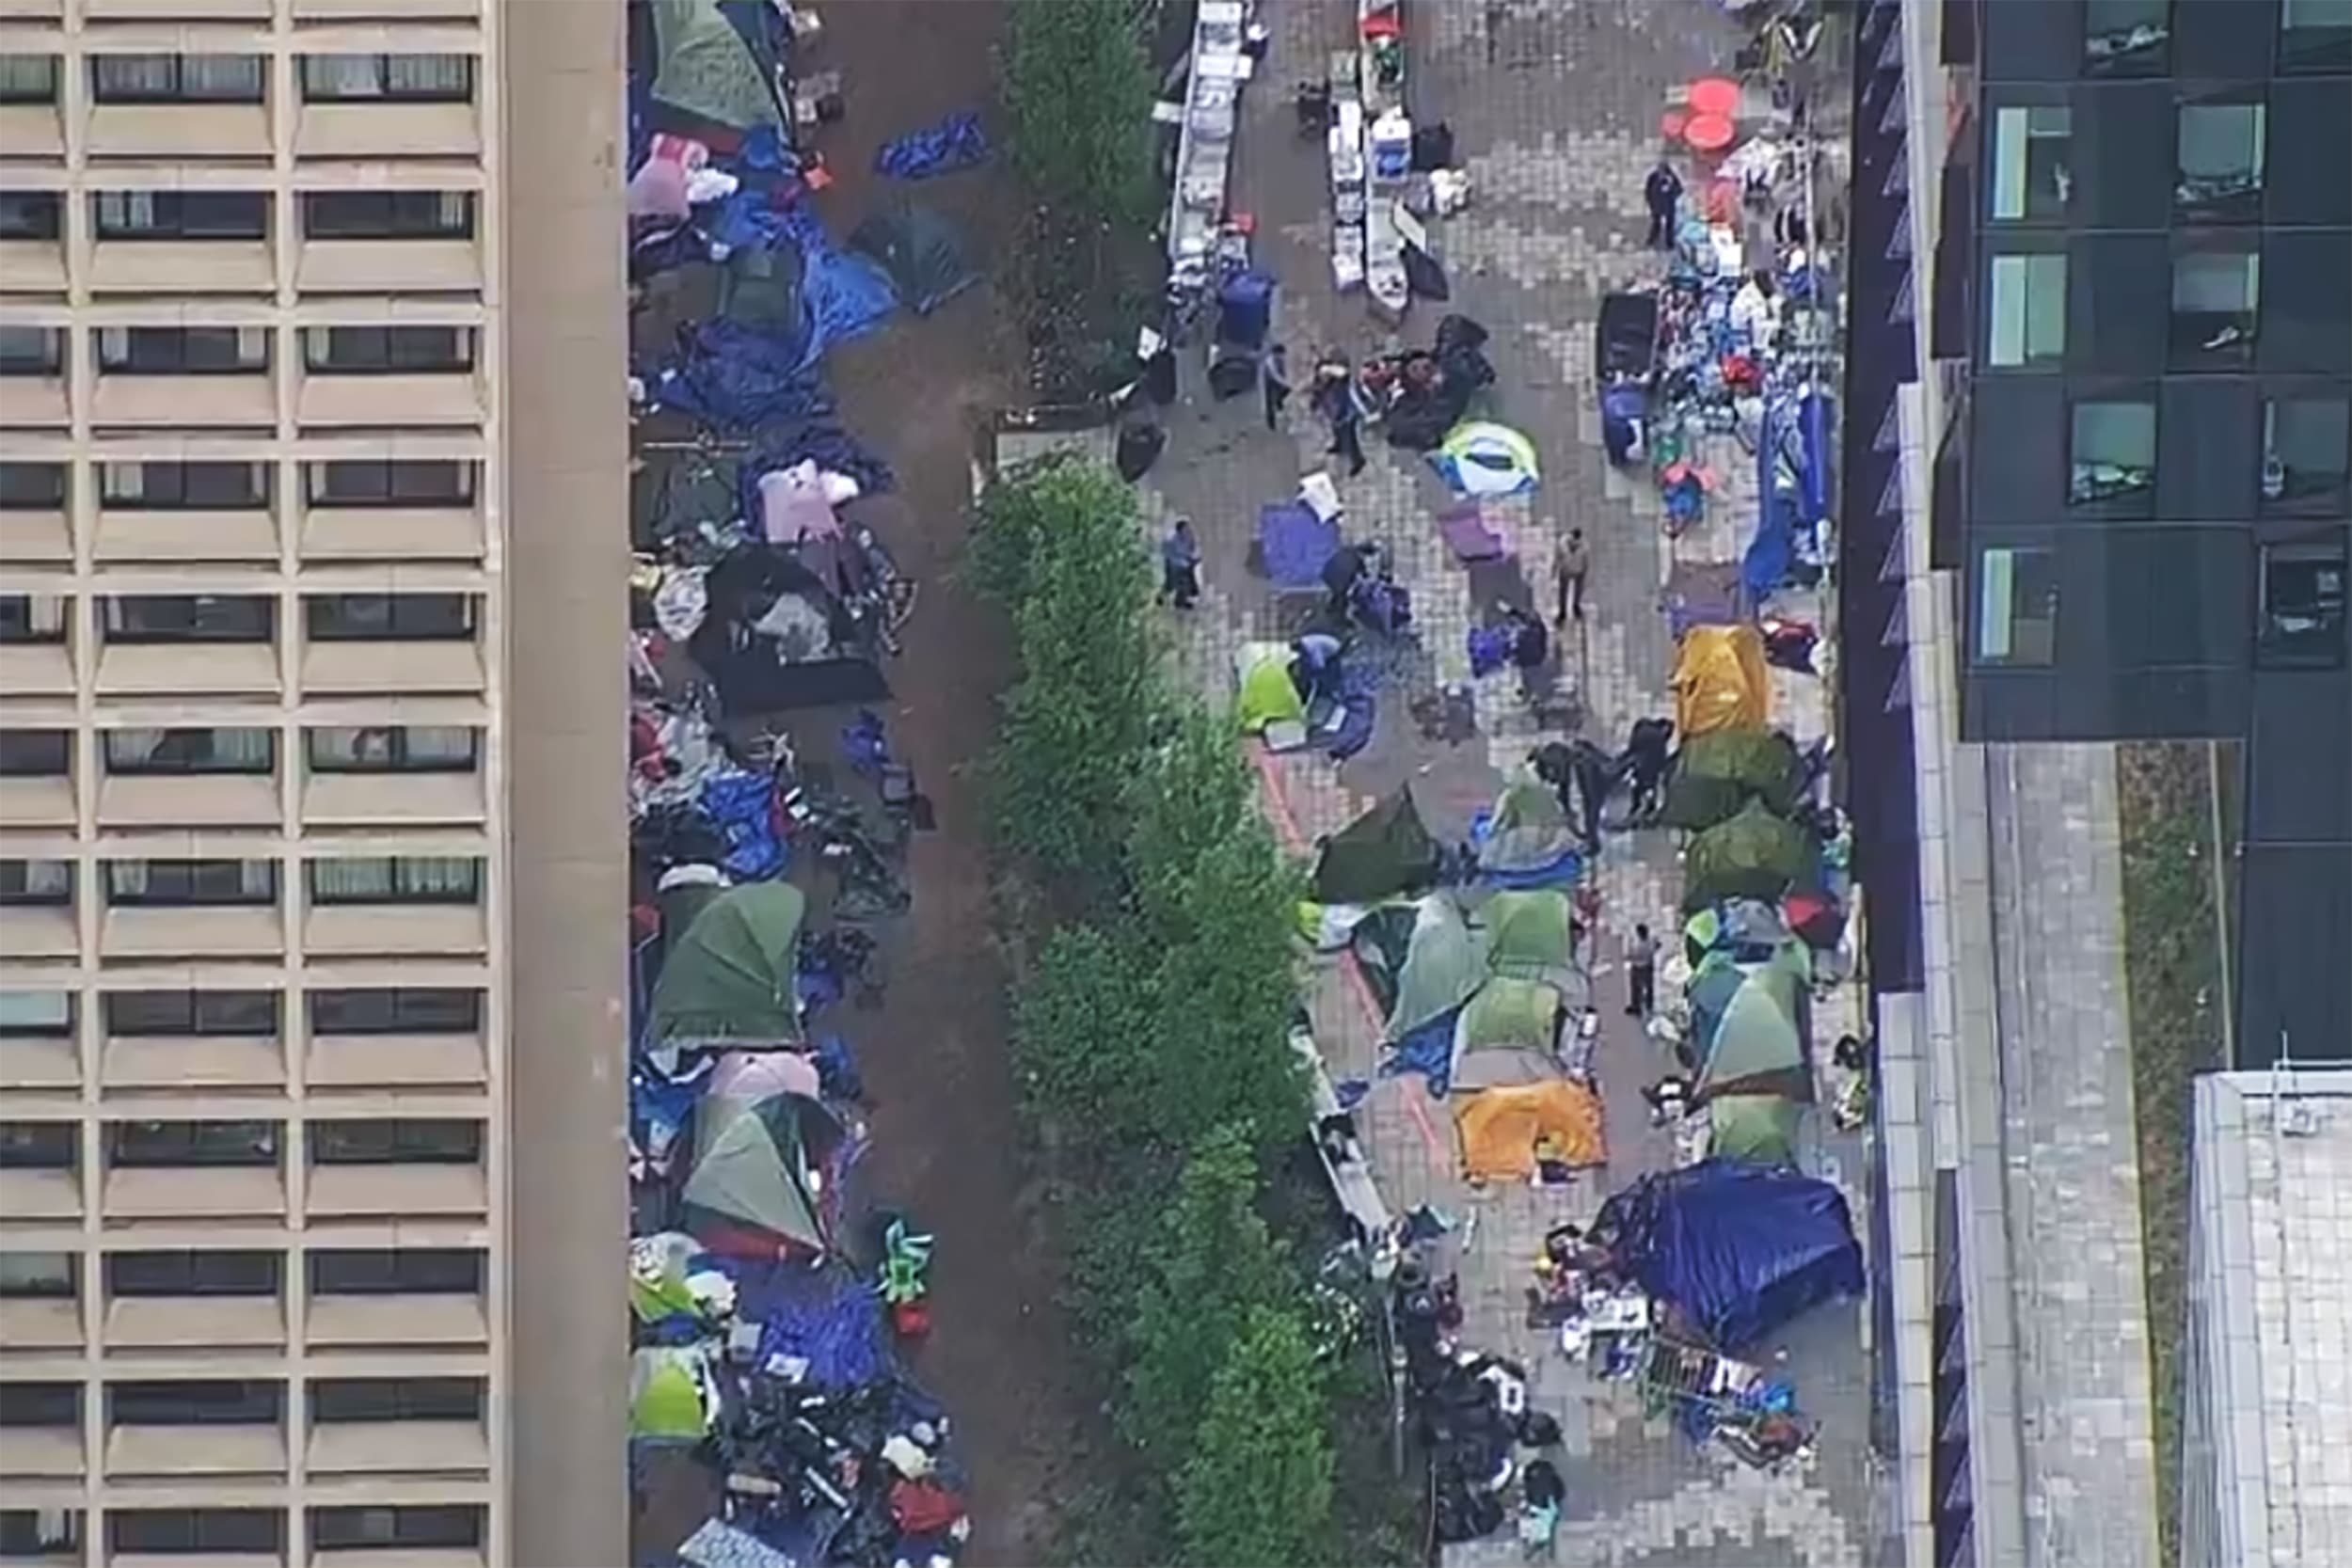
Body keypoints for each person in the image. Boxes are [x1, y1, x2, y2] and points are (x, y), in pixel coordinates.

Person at [1157, 516, 1200, 610]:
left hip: (1186, 563)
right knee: (1171, 584)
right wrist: (1183, 562)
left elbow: (1193, 549)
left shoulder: (1189, 537)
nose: (1188, 529)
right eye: (1186, 527)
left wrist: (1194, 558)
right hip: (1173, 564)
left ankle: (1181, 601)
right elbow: (1168, 554)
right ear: (1181, 528)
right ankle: (1161, 597)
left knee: (1186, 582)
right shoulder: (1171, 539)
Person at [1552, 528, 1591, 624]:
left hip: (1579, 570)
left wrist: (1585, 572)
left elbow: (1586, 561)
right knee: (1563, 592)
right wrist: (1554, 571)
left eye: (1577, 542)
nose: (1575, 544)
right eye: (1573, 541)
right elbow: (1557, 558)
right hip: (1565, 570)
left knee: (1578, 591)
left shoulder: (1584, 546)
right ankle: (1562, 612)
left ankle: (1576, 607)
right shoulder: (1562, 544)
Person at [1644, 157, 1683, 249]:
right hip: (1657, 204)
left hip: (1669, 204)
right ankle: (1651, 241)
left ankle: (1670, 244)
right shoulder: (1653, 177)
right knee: (1656, 223)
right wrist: (1650, 201)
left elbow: (1679, 189)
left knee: (1670, 224)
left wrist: (1671, 190)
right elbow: (1648, 190)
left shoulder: (1671, 177)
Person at [1626, 922, 1658, 1018]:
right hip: (1648, 965)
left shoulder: (1637, 944)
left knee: (1636, 988)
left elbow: (1630, 955)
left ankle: (1637, 1006)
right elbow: (1657, 946)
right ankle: (1648, 1005)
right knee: (1648, 987)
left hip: (1637, 966)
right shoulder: (1651, 940)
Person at [1262, 342, 1293, 433]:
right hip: (1268, 381)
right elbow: (1275, 374)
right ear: (1276, 353)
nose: (1283, 357)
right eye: (1281, 355)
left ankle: (1280, 408)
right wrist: (1285, 383)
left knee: (1283, 395)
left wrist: (1286, 383)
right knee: (1269, 402)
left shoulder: (1281, 359)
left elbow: (1283, 372)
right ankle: (1271, 424)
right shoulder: (1270, 361)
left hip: (1278, 381)